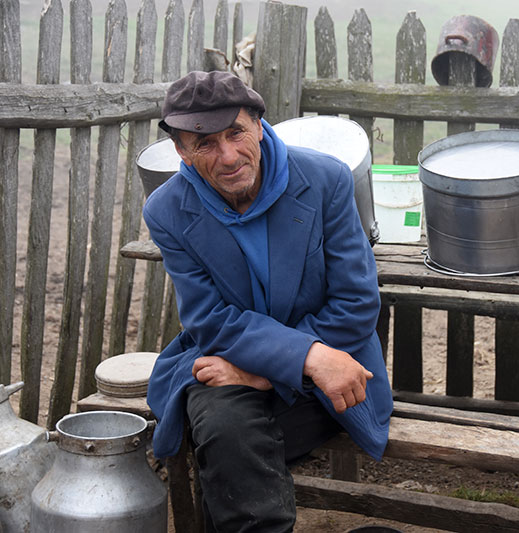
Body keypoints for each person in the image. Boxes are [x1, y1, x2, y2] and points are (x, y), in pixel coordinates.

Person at [142, 70, 393, 532]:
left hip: (330, 371)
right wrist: (300, 359)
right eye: (204, 144)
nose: (228, 156)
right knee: (222, 426)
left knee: (226, 447)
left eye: (235, 133)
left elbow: (356, 303)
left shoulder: (324, 180)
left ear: (258, 123)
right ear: (180, 150)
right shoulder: (167, 211)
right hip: (231, 359)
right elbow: (210, 321)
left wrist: (267, 370)